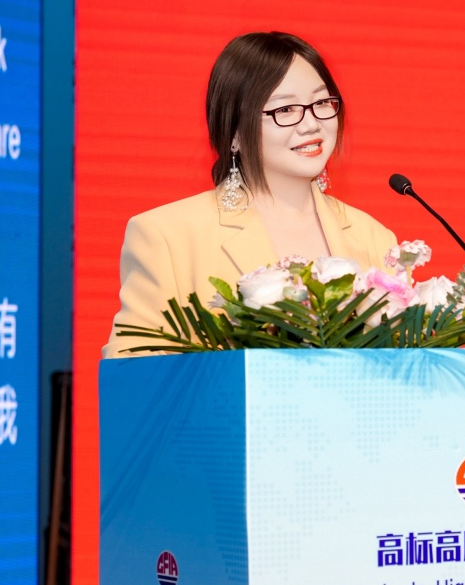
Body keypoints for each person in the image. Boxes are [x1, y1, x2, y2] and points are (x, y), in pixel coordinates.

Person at [103, 32, 398, 357]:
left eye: (321, 103)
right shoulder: (166, 236)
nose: (311, 124)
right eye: (285, 109)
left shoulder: (374, 238)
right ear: (235, 133)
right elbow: (135, 370)